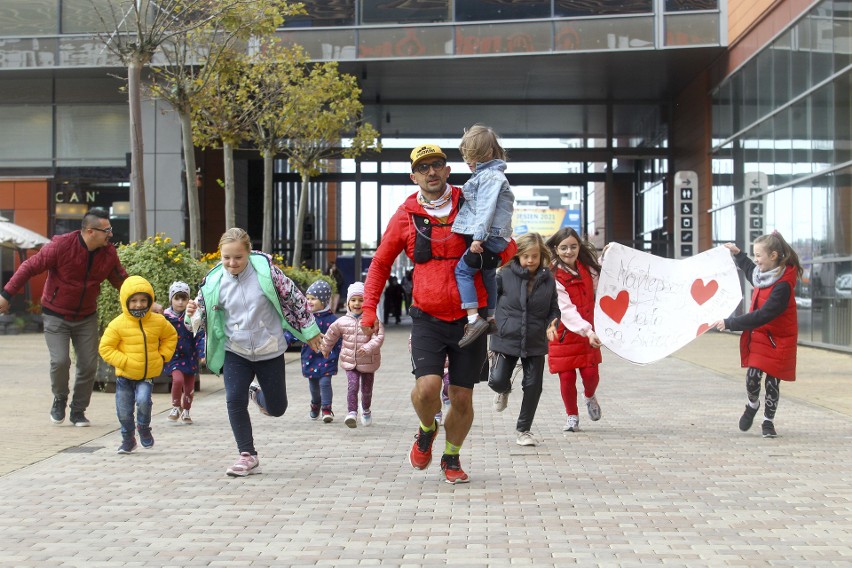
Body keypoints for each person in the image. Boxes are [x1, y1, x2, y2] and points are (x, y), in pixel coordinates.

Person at [360, 143, 516, 485]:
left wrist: (494, 256)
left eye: (438, 165)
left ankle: (451, 456)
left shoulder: (473, 201)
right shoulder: (405, 216)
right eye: (424, 167)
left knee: (461, 396)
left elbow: (507, 243)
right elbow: (381, 264)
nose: (431, 171)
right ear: (414, 176)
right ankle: (426, 429)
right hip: (427, 317)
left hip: (470, 321)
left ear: (448, 170)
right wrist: (369, 309)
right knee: (429, 387)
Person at [185, 228, 322, 477]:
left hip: (269, 349)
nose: (232, 263)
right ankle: (247, 455)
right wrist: (192, 312)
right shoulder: (213, 282)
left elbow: (296, 300)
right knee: (233, 399)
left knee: (277, 408)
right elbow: (195, 322)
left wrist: (310, 330)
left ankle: (257, 396)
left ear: (248, 252)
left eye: (238, 257)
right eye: (226, 257)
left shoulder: (267, 274)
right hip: (235, 349)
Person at [0, 208, 129, 427]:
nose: (110, 234)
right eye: (106, 230)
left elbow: (120, 280)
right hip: (55, 314)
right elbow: (29, 267)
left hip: (86, 316)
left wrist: (144, 298)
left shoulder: (108, 254)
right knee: (60, 361)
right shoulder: (61, 246)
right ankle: (60, 397)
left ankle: (78, 410)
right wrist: (5, 295)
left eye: (110, 229)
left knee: (88, 365)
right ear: (90, 231)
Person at [712, 231, 802, 438]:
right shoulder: (763, 275)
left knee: (772, 381)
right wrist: (738, 254)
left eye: (759, 255)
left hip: (780, 338)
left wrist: (730, 323)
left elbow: (763, 315)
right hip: (761, 335)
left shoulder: (783, 286)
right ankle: (752, 404)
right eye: (755, 254)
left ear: (773, 256)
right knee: (752, 377)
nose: (756, 259)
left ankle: (768, 421)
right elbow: (750, 269)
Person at [488, 233, 559, 447]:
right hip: (505, 336)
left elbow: (553, 308)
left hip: (535, 339)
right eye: (526, 256)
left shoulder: (548, 280)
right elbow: (490, 299)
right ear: (517, 255)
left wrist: (552, 323)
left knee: (533, 385)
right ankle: (504, 390)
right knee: (497, 380)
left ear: (541, 256)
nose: (530, 260)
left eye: (535, 256)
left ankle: (524, 430)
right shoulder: (504, 275)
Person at [452, 124, 515, 348]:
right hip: (497, 236)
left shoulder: (489, 176)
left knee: (462, 270)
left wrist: (478, 238)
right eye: (466, 158)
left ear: (487, 154)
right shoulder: (493, 174)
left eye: (473, 158)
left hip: (489, 236)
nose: (469, 163)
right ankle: (490, 317)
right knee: (487, 273)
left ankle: (473, 318)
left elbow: (486, 208)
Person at [98, 276, 177, 454]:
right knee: (124, 410)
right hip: (124, 376)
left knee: (143, 402)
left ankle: (143, 427)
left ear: (150, 300)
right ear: (125, 302)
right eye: (133, 301)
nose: (139, 305)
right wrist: (124, 362)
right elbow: (105, 348)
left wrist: (163, 355)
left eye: (143, 300)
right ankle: (128, 439)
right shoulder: (118, 324)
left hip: (146, 375)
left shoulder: (157, 321)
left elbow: (170, 336)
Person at [546, 227, 603, 433]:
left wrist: (611, 254)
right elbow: (566, 310)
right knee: (567, 378)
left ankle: (589, 396)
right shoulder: (552, 275)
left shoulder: (588, 269)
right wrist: (587, 331)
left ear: (579, 247)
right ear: (555, 248)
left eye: (573, 246)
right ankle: (572, 416)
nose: (568, 251)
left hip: (588, 332)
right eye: (563, 248)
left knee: (591, 375)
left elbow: (608, 283)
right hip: (564, 333)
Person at [321, 282, 384, 428]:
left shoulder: (372, 320)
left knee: (367, 390)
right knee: (353, 385)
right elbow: (331, 335)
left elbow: (378, 336)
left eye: (361, 300)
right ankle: (352, 412)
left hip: (368, 361)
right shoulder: (342, 321)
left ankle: (366, 409)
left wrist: (368, 347)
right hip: (350, 361)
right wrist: (326, 348)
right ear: (347, 303)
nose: (357, 303)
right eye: (353, 300)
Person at [284, 279, 341, 423]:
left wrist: (342, 351)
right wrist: (285, 340)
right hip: (310, 356)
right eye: (307, 298)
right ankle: (315, 403)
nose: (309, 302)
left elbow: (340, 337)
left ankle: (327, 408)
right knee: (314, 385)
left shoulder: (333, 320)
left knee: (325, 382)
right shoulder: (305, 318)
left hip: (327, 356)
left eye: (313, 299)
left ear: (324, 300)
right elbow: (295, 331)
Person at [163, 281, 206, 425]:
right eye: (177, 298)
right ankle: (175, 406)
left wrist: (202, 354)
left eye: (184, 298)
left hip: (190, 357)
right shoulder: (165, 317)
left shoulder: (194, 317)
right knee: (178, 380)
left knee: (189, 387)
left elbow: (199, 336)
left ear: (189, 300)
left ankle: (186, 410)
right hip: (174, 357)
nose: (180, 302)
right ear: (171, 299)